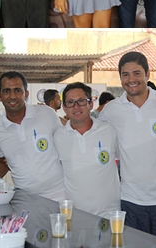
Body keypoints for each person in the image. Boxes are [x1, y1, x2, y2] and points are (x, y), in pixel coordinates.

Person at [98, 51, 156, 239]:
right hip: (130, 200)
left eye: (136, 73)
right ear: (120, 78)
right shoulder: (112, 110)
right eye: (125, 74)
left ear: (147, 74)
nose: (131, 79)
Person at [0, 71, 65, 200]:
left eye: (17, 90)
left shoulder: (47, 114)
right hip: (25, 199)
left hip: (61, 195)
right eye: (6, 91)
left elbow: (67, 144)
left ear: (26, 94)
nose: (12, 96)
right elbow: (2, 161)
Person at [54, 82, 120, 217]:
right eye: (70, 102)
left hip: (110, 214)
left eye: (81, 101)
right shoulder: (58, 137)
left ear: (91, 104)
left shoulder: (109, 130)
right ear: (64, 108)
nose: (76, 106)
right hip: (74, 215)